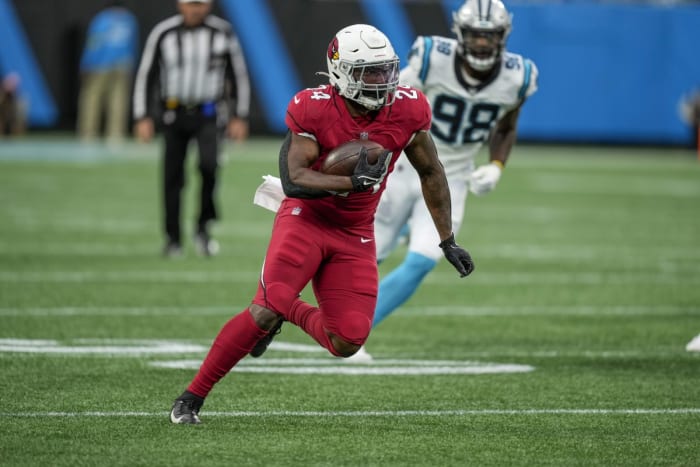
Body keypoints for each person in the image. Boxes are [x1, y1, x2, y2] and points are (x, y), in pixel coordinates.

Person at [169, 24, 475, 424]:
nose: (381, 81)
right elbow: (294, 179)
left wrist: (447, 239)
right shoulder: (312, 106)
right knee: (263, 310)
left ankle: (284, 310)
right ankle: (191, 397)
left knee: (348, 341)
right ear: (341, 71)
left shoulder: (408, 108)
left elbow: (431, 171)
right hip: (306, 219)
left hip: (356, 231)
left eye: (385, 70)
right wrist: (350, 182)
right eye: (369, 72)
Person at [349, 0, 538, 362]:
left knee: (423, 260)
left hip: (451, 178)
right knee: (367, 255)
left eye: (489, 36)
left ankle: (355, 333)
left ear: (503, 36)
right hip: (405, 165)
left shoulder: (519, 76)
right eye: (475, 35)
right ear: (460, 33)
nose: (481, 43)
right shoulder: (432, 56)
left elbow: (506, 126)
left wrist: (497, 164)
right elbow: (389, 102)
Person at [132, 0, 251, 257]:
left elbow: (238, 74)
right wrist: (142, 116)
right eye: (191, 4)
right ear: (180, 5)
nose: (195, 9)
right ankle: (173, 238)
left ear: (208, 6)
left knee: (209, 166)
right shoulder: (164, 32)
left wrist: (239, 115)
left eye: (199, 4)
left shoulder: (222, 32)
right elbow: (146, 74)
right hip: (173, 113)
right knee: (172, 176)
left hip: (208, 113)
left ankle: (203, 228)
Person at [77, 0, 138, 143]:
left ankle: (88, 133)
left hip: (99, 65)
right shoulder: (129, 19)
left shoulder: (102, 19)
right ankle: (116, 134)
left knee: (92, 99)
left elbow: (94, 44)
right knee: (119, 100)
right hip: (123, 65)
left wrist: (86, 63)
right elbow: (133, 45)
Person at [0, 72, 27, 137]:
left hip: (12, 119)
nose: (11, 87)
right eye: (10, 84)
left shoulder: (18, 99)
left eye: (14, 85)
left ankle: (16, 135)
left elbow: (19, 116)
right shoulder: (2, 96)